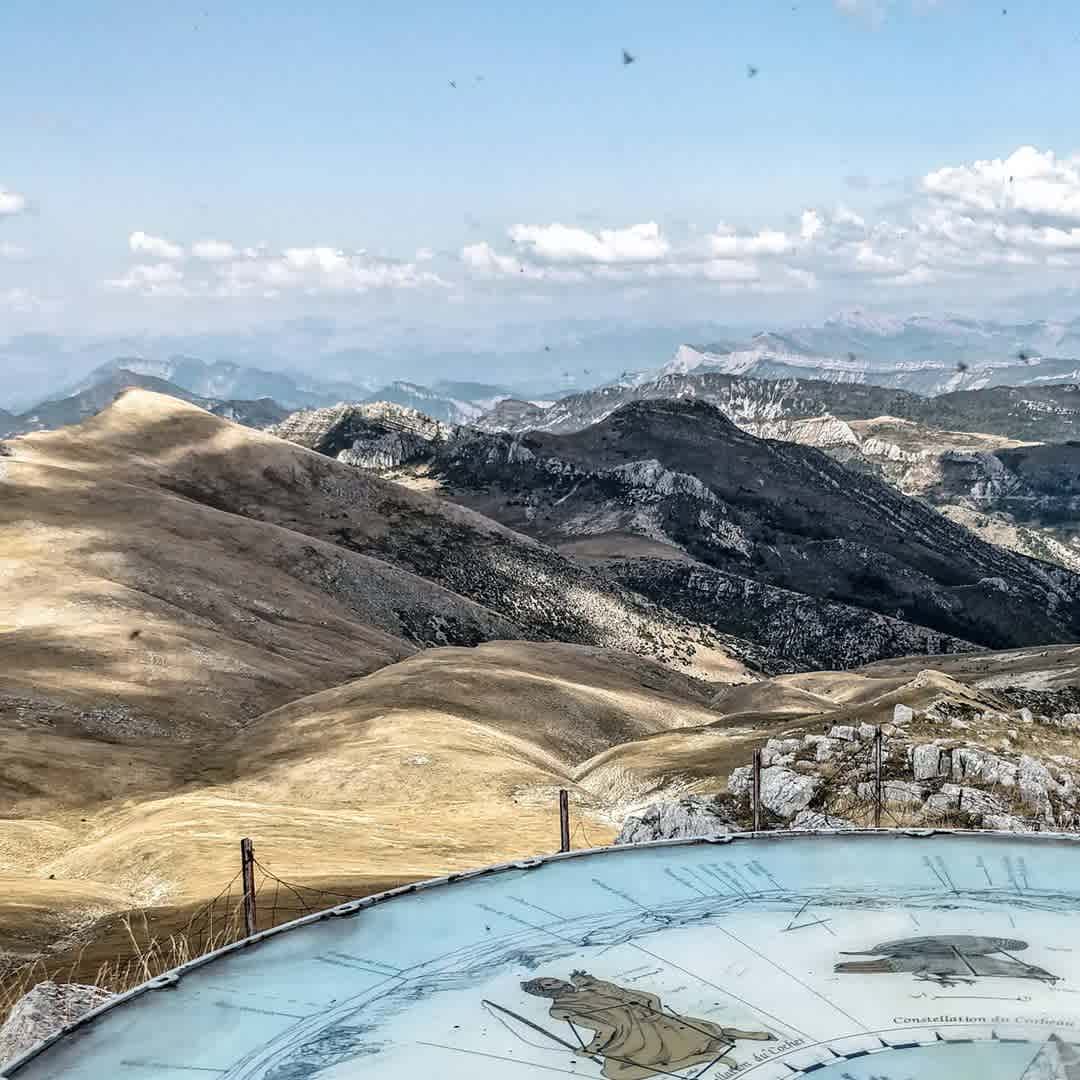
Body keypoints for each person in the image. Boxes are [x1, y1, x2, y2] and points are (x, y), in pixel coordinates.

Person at [521, 971, 773, 1080]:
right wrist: (654, 1018)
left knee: (613, 1073)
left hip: (634, 1041)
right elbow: (651, 999)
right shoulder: (595, 987)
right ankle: (737, 1034)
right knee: (703, 1034)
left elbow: (607, 1031)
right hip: (666, 1025)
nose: (556, 983)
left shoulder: (559, 1010)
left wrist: (589, 1050)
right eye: (550, 983)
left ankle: (698, 1060)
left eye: (551, 981)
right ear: (543, 991)